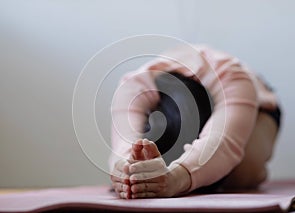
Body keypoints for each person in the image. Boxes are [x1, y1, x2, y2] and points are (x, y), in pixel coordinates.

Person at [109, 44, 281, 199]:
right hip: (185, 89)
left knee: (240, 171)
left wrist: (175, 179)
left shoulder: (235, 79)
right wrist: (126, 172)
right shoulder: (132, 87)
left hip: (258, 104)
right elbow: (122, 147)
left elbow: (223, 143)